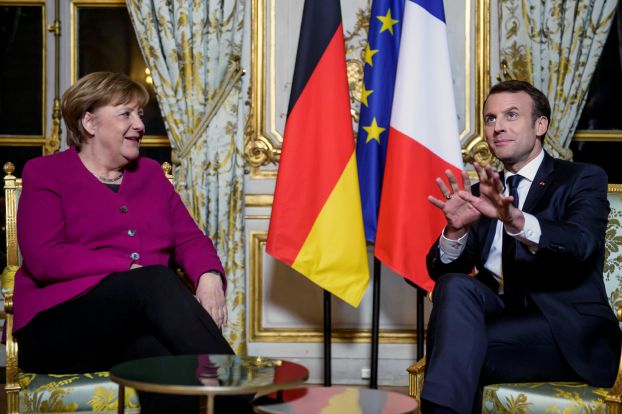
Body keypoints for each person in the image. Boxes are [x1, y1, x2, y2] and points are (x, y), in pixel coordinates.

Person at [12, 72, 250, 413]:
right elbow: (44, 257)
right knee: (154, 279)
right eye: (126, 114)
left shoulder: (151, 175)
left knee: (163, 361)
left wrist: (209, 276)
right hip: (57, 329)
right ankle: (244, 399)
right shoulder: (45, 172)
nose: (139, 124)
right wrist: (130, 268)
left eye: (140, 114)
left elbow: (190, 239)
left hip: (130, 330)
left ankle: (235, 405)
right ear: (90, 122)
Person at [421, 80, 621, 413]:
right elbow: (442, 275)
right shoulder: (481, 190)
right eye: (490, 118)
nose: (498, 126)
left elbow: (580, 244)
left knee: (456, 352)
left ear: (539, 125)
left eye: (511, 115)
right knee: (455, 286)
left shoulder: (581, 178)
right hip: (498, 318)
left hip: (562, 330)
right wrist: (455, 231)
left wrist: (517, 222)